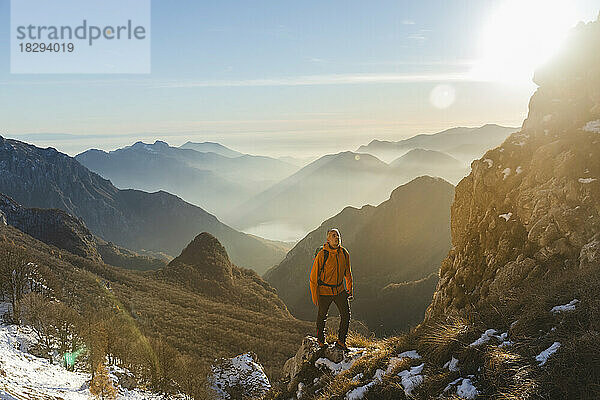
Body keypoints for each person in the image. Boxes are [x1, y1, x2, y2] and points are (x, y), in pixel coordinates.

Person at [309, 228, 353, 350]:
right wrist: (315, 296)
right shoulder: (323, 254)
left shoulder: (344, 253)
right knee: (322, 316)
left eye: (338, 235)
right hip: (324, 291)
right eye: (333, 236)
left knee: (346, 315)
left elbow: (348, 273)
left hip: (339, 290)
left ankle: (341, 341)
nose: (336, 237)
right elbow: (313, 277)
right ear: (328, 239)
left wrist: (349, 289)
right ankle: (321, 341)